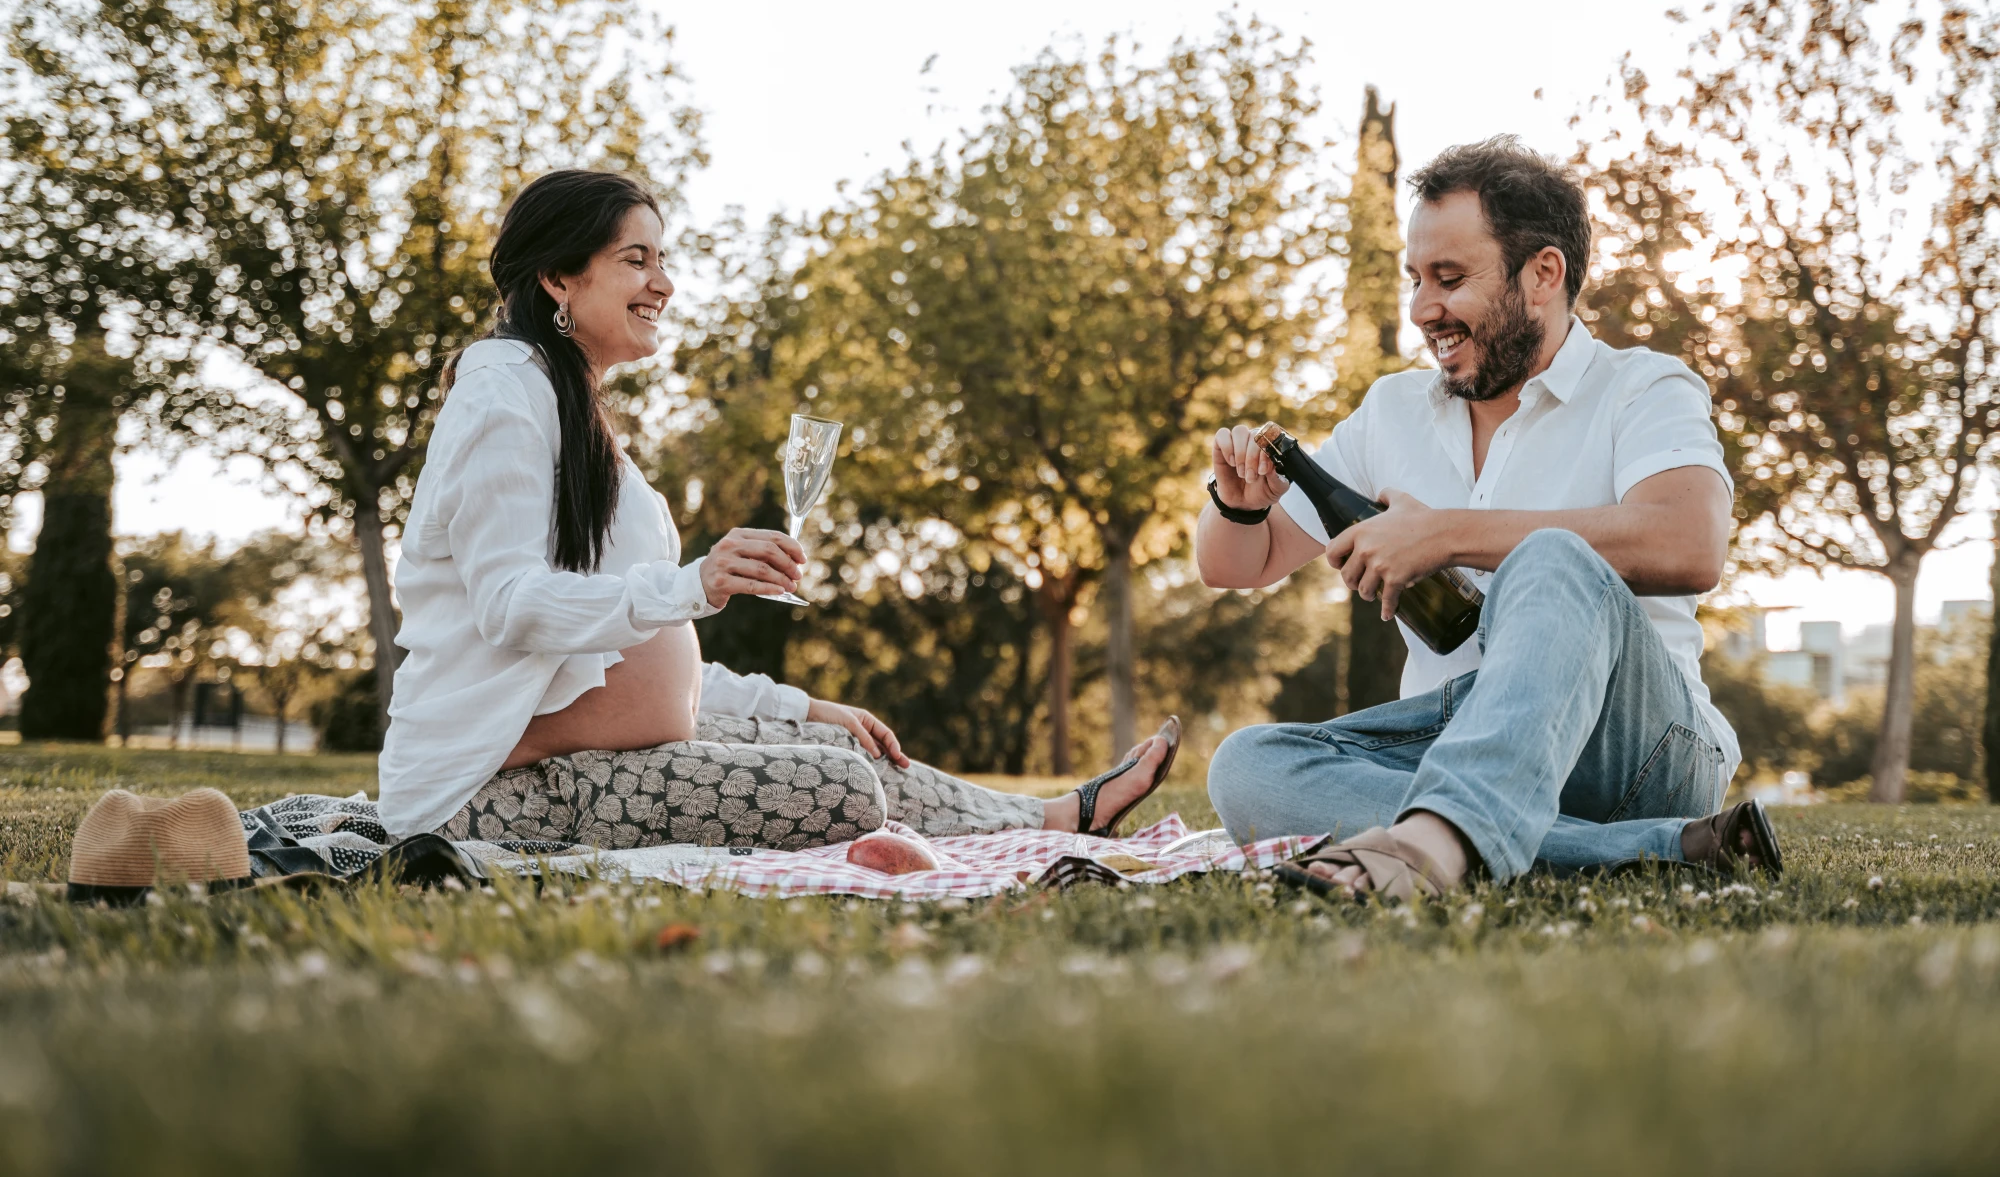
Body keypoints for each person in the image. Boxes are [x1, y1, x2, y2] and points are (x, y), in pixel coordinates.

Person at [378, 169, 1176, 850]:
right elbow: (511, 607)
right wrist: (695, 583)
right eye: (635, 260)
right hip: (480, 792)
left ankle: (1056, 817)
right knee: (840, 789)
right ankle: (1040, 820)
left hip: (584, 749)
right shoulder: (500, 395)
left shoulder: (572, 411)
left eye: (664, 259)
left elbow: (642, 659)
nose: (664, 282)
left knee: (837, 738)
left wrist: (802, 705)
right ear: (558, 277)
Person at [1199, 138, 1780, 902]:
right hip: (1454, 731)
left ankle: (1432, 843)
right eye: (1414, 280)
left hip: (1636, 746)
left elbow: (1690, 541)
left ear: (1542, 275)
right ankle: (1652, 853)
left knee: (1553, 558)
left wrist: (1443, 534)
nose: (1421, 309)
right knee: (1247, 766)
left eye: (1449, 278)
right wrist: (1238, 505)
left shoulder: (1645, 387)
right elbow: (1236, 565)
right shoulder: (1394, 412)